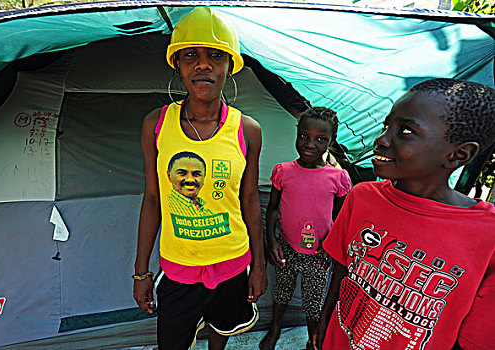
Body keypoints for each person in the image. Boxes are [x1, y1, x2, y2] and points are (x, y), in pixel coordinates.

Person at [312, 78, 495, 350]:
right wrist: (325, 318)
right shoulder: (362, 197)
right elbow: (343, 266)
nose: (382, 140)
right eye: (388, 126)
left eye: (405, 131)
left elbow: (474, 339)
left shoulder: (487, 236)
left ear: (458, 154)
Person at [132, 7, 267, 350]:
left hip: (233, 262)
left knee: (222, 327)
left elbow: (250, 200)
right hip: (179, 267)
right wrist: (141, 271)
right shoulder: (156, 125)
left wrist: (259, 265)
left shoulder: (247, 130)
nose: (203, 64)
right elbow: (152, 198)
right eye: (191, 55)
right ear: (177, 64)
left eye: (215, 56)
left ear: (229, 66)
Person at [260, 107, 352, 350]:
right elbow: (272, 209)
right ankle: (276, 328)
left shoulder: (338, 177)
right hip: (287, 248)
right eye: (304, 136)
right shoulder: (283, 171)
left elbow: (342, 219)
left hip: (319, 255)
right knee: (282, 293)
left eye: (320, 139)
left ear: (331, 142)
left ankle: (313, 340)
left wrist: (330, 249)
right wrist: (273, 241)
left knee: (313, 303)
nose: (309, 144)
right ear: (297, 134)